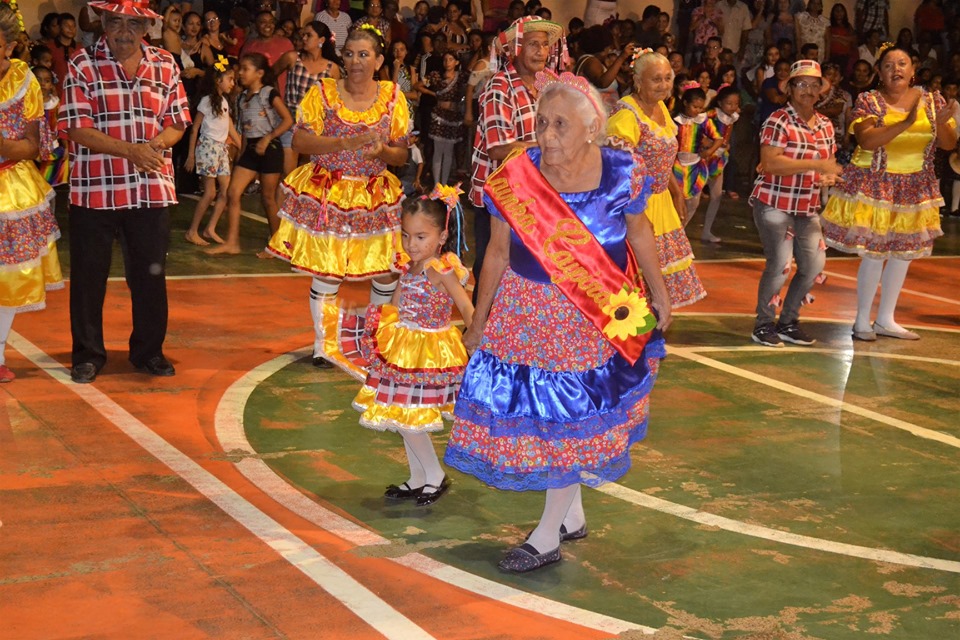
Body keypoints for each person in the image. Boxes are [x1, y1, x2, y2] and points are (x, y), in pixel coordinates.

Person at [444, 71, 670, 573]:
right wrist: (478, 322)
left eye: (560, 125)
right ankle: (571, 513)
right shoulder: (515, 175)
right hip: (522, 313)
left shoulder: (623, 172)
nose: (546, 135)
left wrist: (659, 290)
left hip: (591, 319)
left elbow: (640, 233)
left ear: (592, 128)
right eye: (541, 122)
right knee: (543, 417)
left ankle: (547, 535)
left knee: (567, 419)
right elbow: (496, 255)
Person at [59, 0, 192, 384]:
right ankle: (87, 355)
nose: (123, 31)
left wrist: (152, 148)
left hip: (150, 190)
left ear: (146, 27)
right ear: (102, 22)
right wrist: (132, 150)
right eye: (115, 22)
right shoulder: (82, 64)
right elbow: (77, 128)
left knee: (150, 275)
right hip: (94, 190)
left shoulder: (165, 63)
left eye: (133, 24)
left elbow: (178, 121)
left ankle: (149, 352)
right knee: (88, 276)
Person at [265, 26, 410, 369]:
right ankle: (323, 344)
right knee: (328, 273)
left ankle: (374, 339)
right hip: (329, 192)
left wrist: (382, 151)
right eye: (349, 54)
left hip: (376, 194)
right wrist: (343, 144)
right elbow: (300, 142)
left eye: (364, 55)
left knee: (386, 272)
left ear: (378, 60)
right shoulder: (323, 92)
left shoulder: (393, 96)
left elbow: (401, 155)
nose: (355, 61)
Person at [820, 46, 957, 342]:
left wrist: (946, 120)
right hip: (877, 184)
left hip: (915, 186)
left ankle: (886, 319)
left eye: (902, 63)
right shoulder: (869, 100)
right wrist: (906, 122)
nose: (896, 69)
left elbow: (947, 145)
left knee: (902, 254)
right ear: (879, 73)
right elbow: (867, 140)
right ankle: (861, 321)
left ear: (913, 69)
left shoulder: (932, 101)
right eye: (888, 65)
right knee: (875, 252)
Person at [349, 186, 473, 506]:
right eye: (406, 236)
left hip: (429, 352)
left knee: (407, 417)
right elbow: (394, 305)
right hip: (402, 348)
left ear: (442, 236)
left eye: (421, 237)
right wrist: (379, 333)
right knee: (400, 416)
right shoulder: (409, 267)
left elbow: (467, 306)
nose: (411, 244)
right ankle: (419, 477)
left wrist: (481, 338)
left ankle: (434, 475)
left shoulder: (441, 269)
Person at [469, 16, 563, 302]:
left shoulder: (554, 85)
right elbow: (498, 149)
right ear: (514, 49)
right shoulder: (499, 86)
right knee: (493, 265)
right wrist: (553, 144)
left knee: (534, 269)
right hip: (503, 194)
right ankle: (480, 333)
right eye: (533, 44)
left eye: (545, 45)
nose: (541, 52)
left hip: (545, 193)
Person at [749, 60, 841, 348]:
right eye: (802, 84)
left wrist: (827, 175)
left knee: (814, 263)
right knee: (780, 263)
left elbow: (828, 164)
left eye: (815, 85)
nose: (809, 90)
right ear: (789, 89)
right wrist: (815, 164)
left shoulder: (826, 124)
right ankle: (764, 324)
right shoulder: (778, 120)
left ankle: (788, 321)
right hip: (774, 203)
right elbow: (770, 162)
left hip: (806, 205)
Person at [607, 50, 707, 308]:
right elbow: (617, 171)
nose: (663, 85)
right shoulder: (627, 116)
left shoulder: (660, 106)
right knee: (635, 285)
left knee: (656, 287)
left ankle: (650, 338)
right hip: (637, 208)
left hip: (661, 203)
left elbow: (661, 161)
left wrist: (675, 192)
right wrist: (638, 216)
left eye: (667, 78)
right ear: (638, 81)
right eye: (656, 79)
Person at [0, 6, 64, 383]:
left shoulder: (24, 79)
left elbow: (33, 145)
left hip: (11, 190)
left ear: (6, 46)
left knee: (6, 278)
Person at [206, 53, 293, 256]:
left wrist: (268, 137)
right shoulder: (242, 98)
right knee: (233, 192)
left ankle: (276, 246)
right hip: (251, 150)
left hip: (270, 148)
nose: (241, 73)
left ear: (260, 73)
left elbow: (288, 119)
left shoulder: (269, 93)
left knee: (268, 198)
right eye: (240, 69)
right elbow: (245, 130)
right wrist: (242, 154)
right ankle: (232, 242)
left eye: (246, 69)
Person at [273, 21, 341, 179]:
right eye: (302, 34)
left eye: (308, 35)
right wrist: (277, 102)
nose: (303, 38)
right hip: (290, 122)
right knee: (288, 175)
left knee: (306, 176)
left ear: (321, 40)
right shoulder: (292, 58)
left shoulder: (332, 69)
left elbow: (335, 100)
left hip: (314, 127)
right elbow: (271, 75)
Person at [184, 57, 241, 246]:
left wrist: (243, 147)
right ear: (218, 80)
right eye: (230, 79)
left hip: (221, 149)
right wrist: (191, 154)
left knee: (226, 191)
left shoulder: (224, 102)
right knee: (210, 193)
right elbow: (195, 128)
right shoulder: (207, 101)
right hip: (208, 147)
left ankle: (210, 228)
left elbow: (230, 127)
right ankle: (192, 231)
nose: (233, 83)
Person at [700, 84, 741, 242]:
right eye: (729, 103)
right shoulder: (710, 115)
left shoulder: (731, 118)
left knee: (716, 196)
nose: (732, 107)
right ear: (720, 103)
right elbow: (698, 133)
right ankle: (679, 231)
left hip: (718, 159)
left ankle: (707, 230)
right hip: (703, 157)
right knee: (692, 199)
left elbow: (725, 138)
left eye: (736, 104)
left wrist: (725, 145)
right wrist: (710, 143)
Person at [418, 51, 465, 186]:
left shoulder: (461, 77)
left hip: (453, 116)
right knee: (438, 151)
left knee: (448, 151)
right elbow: (418, 85)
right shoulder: (436, 76)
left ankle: (444, 184)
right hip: (439, 114)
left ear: (456, 62)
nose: (447, 62)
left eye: (451, 59)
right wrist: (434, 94)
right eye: (445, 59)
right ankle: (437, 184)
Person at [672, 81, 710, 224]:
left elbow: (717, 137)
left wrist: (709, 149)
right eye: (695, 107)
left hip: (695, 164)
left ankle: (682, 230)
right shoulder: (674, 121)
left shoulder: (703, 121)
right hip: (677, 165)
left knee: (694, 202)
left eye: (700, 108)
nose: (698, 111)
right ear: (685, 103)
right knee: (676, 199)